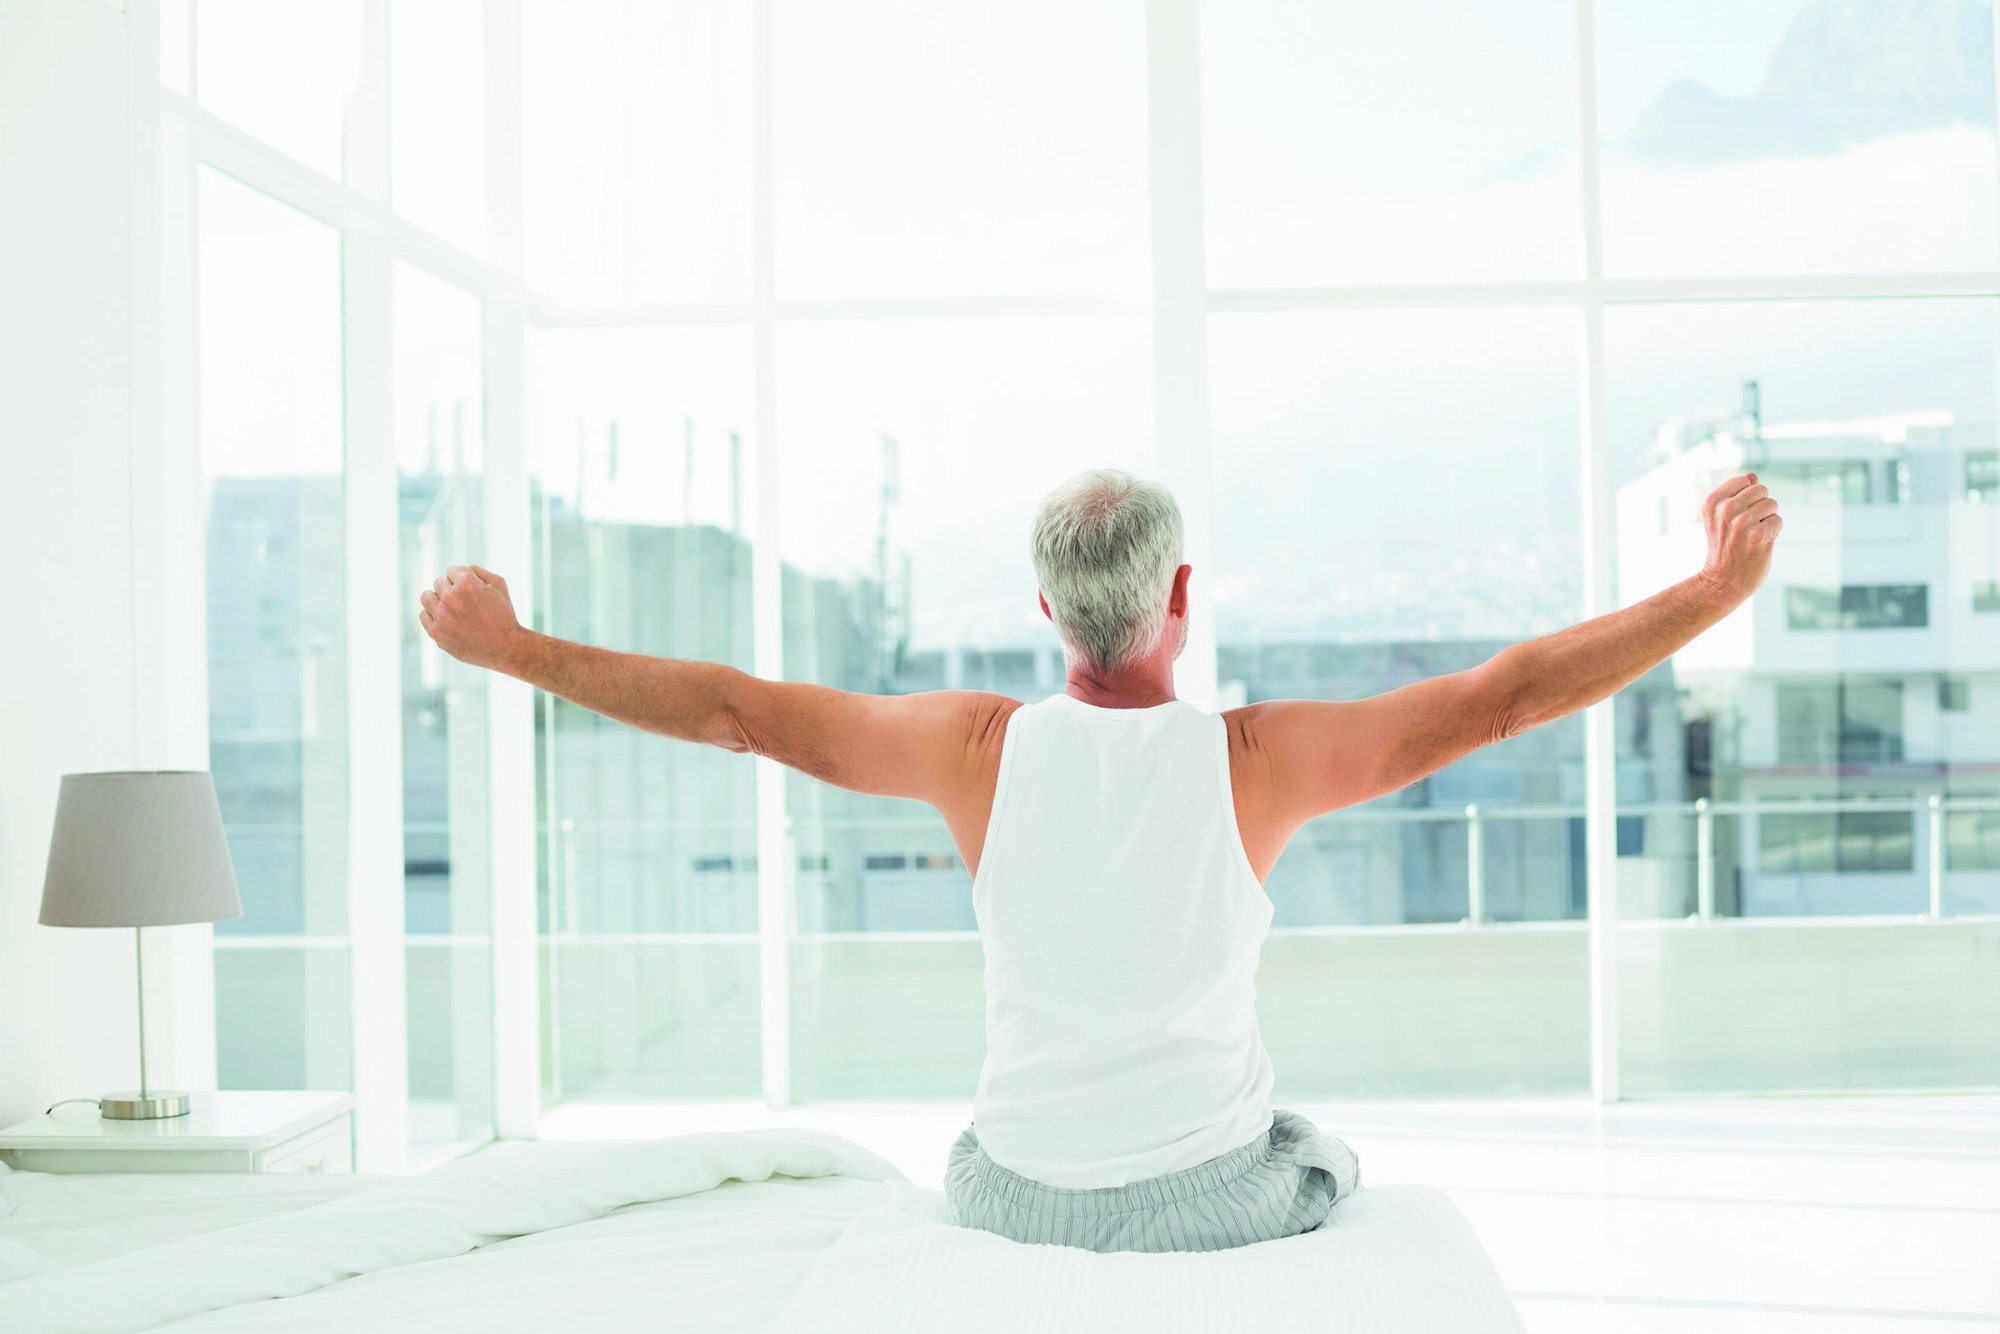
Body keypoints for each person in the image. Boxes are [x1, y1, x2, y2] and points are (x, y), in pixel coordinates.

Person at [418, 467, 1782, 1253]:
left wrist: (516, 648)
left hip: (1011, 1190)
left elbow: (734, 709)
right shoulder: (1258, 760)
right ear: (1181, 597)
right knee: (1316, 1152)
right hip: (1212, 1200)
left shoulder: (973, 748)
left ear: (1046, 610)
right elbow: (1509, 695)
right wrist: (1714, 592)